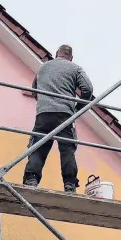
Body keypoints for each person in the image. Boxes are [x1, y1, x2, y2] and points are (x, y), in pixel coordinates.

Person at [23, 44, 94, 193]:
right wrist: (78, 109)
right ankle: (69, 184)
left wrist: (43, 103)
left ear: (57, 53)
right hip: (64, 114)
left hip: (43, 114)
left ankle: (31, 179)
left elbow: (35, 89)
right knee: (67, 149)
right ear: (71, 57)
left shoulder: (43, 67)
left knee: (38, 147)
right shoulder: (75, 68)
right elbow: (87, 89)